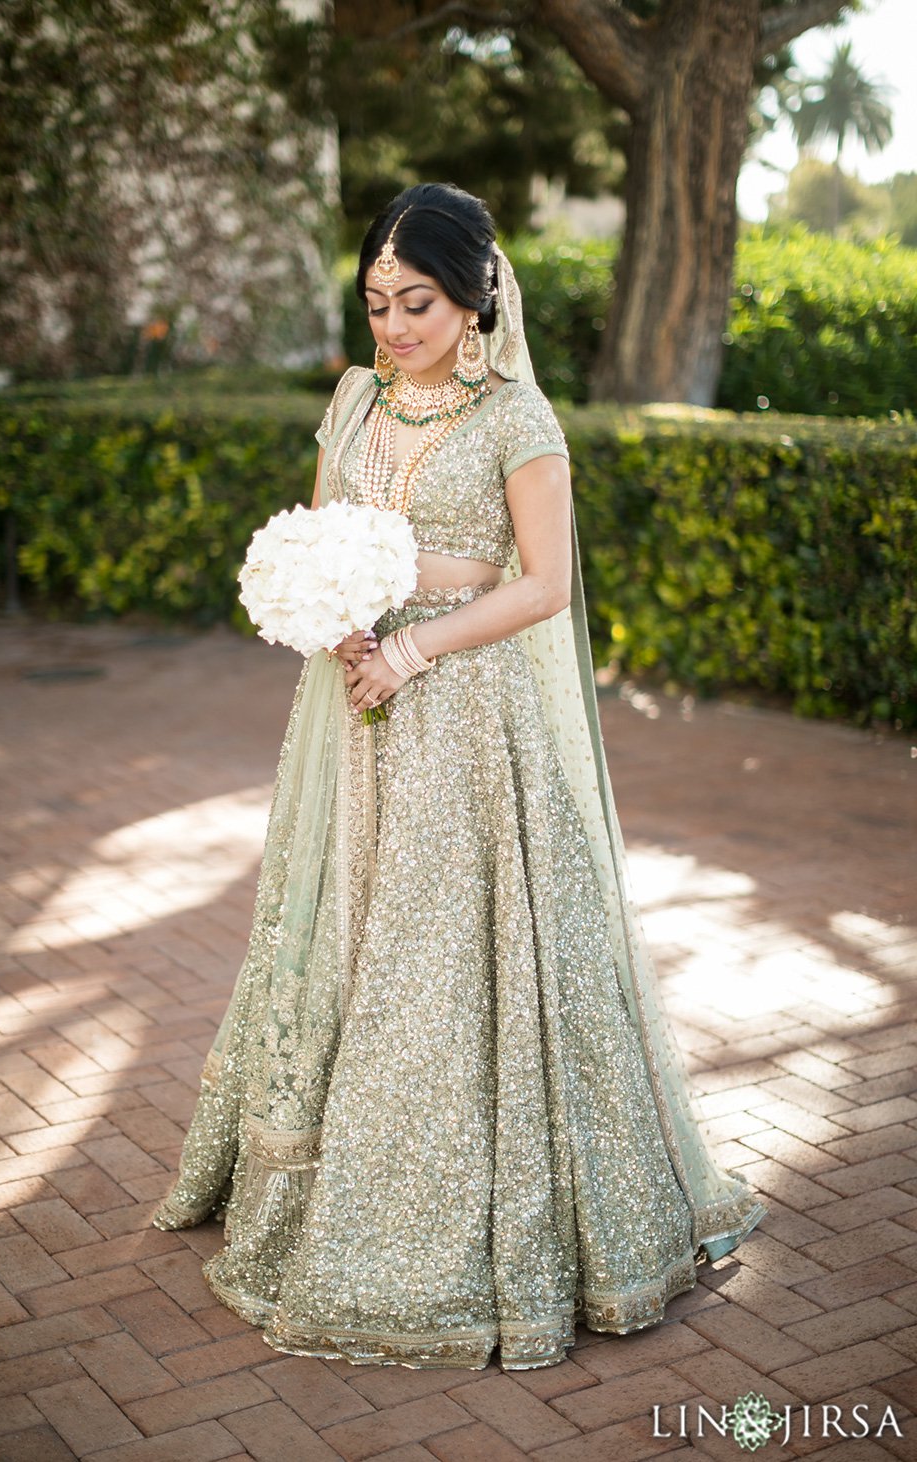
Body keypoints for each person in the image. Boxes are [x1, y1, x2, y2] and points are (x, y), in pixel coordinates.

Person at [151, 183, 764, 1371]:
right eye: (376, 303)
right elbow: (325, 534)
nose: (392, 327)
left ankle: (473, 1227)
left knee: (438, 951)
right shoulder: (352, 397)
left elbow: (538, 586)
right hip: (351, 703)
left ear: (473, 294)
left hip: (465, 713)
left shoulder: (517, 423)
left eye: (414, 303)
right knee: (344, 931)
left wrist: (415, 646)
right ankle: (313, 1184)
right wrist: (335, 621)